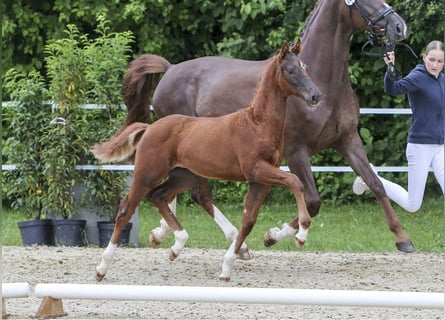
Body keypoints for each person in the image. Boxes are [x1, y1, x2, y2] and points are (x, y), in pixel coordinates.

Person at [353, 40, 444, 212]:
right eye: (432, 59)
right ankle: (370, 178)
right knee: (412, 205)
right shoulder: (418, 77)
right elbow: (393, 89)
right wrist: (390, 67)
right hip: (420, 146)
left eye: (440, 61)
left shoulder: (442, 80)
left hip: (440, 147)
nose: (435, 64)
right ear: (424, 57)